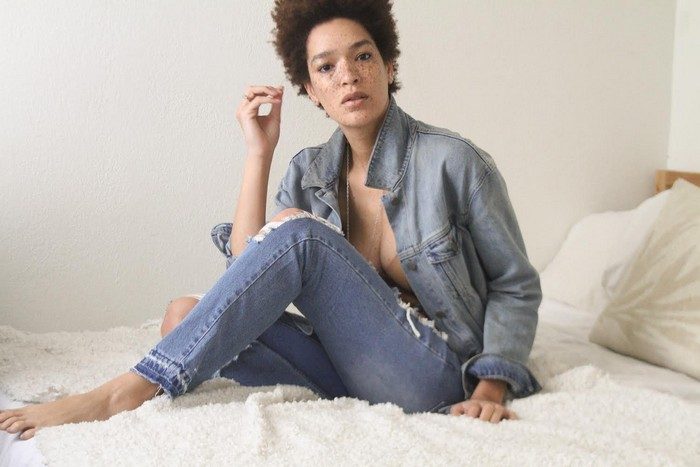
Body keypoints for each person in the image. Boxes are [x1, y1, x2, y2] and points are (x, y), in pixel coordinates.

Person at [0, 0, 543, 440]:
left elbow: (514, 284)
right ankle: (160, 371)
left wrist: (490, 388)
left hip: (437, 372)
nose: (349, 76)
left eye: (363, 57)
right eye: (326, 67)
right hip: (355, 370)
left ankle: (129, 389)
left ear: (389, 66)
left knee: (298, 234)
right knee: (183, 315)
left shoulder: (453, 162)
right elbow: (250, 269)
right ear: (311, 89)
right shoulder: (311, 170)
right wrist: (259, 153)